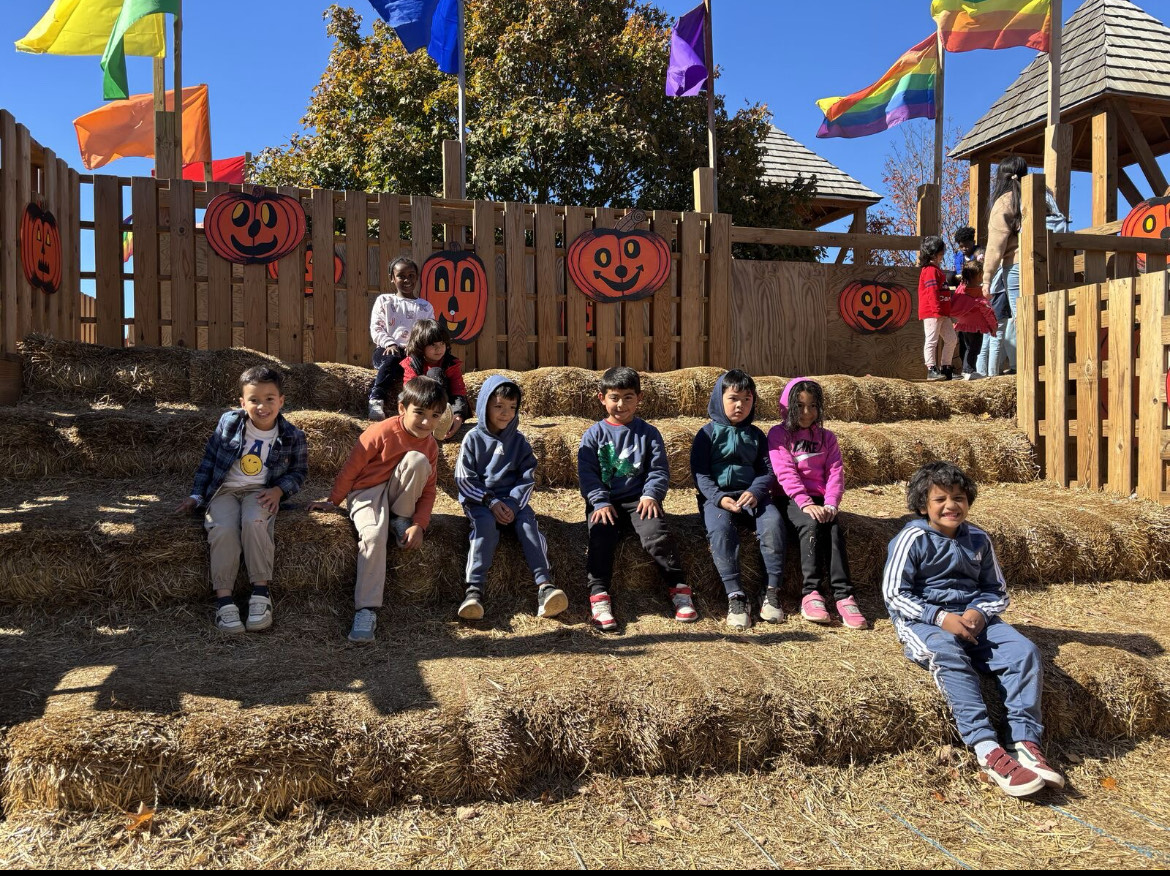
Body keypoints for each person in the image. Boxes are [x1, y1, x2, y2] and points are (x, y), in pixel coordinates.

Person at [883, 462, 1064, 797]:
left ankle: (1025, 742)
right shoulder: (911, 538)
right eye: (940, 499)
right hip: (924, 620)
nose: (951, 505)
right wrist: (940, 618)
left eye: (959, 497)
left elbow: (996, 590)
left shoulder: (978, 538)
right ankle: (987, 749)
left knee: (1023, 652)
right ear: (923, 505)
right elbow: (894, 594)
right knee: (948, 653)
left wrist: (979, 612)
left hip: (975, 619)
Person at [307, 376, 445, 643]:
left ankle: (400, 520)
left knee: (417, 461)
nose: (427, 422)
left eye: (435, 415)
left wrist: (419, 523)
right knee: (372, 536)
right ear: (402, 408)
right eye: (419, 413)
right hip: (365, 494)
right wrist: (333, 501)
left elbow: (428, 491)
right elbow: (351, 469)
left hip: (398, 497)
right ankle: (365, 610)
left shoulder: (430, 445)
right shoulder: (379, 431)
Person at [176, 365, 308, 634]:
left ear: (281, 401)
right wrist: (196, 495)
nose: (262, 406)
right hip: (223, 491)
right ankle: (224, 600)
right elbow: (209, 461)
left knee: (255, 521)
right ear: (242, 402)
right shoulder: (229, 423)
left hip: (259, 491)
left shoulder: (293, 436)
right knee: (222, 528)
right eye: (254, 400)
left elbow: (298, 472)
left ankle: (261, 594)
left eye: (269, 399)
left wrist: (279, 491)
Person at [578, 366, 698, 631]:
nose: (621, 404)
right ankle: (599, 597)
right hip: (605, 501)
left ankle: (679, 589)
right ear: (602, 398)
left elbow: (658, 470)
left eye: (628, 397)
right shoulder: (593, 435)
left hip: (638, 499)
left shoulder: (649, 434)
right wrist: (599, 501)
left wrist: (651, 494)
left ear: (639, 398)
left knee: (656, 535)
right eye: (614, 397)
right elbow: (587, 475)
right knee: (600, 537)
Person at [454, 374, 566, 620]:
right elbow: (464, 480)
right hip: (481, 501)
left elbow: (527, 477)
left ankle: (545, 586)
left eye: (512, 408)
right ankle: (474, 591)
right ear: (485, 405)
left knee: (528, 526)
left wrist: (514, 505)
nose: (506, 413)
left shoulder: (519, 441)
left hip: (513, 501)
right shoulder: (472, 439)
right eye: (499, 407)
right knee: (484, 527)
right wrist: (490, 502)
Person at [690, 369, 786, 631]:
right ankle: (735, 595)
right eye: (733, 398)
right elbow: (700, 475)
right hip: (718, 500)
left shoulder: (757, 435)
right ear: (718, 399)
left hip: (753, 498)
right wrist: (719, 499)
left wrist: (755, 492)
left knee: (774, 524)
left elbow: (768, 471)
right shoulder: (706, 435)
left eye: (747, 399)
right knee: (720, 531)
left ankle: (771, 591)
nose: (740, 405)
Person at [768, 377, 867, 630]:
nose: (806, 412)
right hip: (790, 498)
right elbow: (785, 471)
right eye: (799, 406)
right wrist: (804, 502)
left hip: (821, 498)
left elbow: (836, 472)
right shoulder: (779, 435)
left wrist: (832, 503)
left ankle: (844, 595)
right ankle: (810, 593)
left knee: (833, 528)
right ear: (787, 407)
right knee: (811, 526)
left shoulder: (827, 437)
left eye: (812, 406)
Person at [368, 257, 433, 421]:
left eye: (411, 275)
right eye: (401, 276)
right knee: (391, 359)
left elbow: (428, 332)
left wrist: (417, 348)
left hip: (412, 352)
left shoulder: (425, 307)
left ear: (417, 278)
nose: (407, 280)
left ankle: (413, 408)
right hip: (387, 350)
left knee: (421, 372)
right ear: (392, 278)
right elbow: (377, 327)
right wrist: (389, 343)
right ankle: (376, 399)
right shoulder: (385, 301)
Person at [982, 156, 1028, 377]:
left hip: (1017, 266)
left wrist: (987, 277)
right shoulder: (1043, 196)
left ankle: (1024, 368)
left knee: (1021, 317)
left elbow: (995, 246)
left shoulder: (1005, 201)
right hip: (1046, 262)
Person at [401, 319, 470, 442]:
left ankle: (442, 420)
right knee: (406, 395)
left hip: (447, 405)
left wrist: (458, 416)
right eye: (433, 345)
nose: (439, 349)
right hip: (421, 404)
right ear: (421, 346)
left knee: (436, 373)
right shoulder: (412, 364)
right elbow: (409, 390)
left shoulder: (451, 364)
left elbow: (458, 391)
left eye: (442, 343)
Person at [918, 235, 956, 381]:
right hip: (932, 312)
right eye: (941, 252)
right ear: (934, 253)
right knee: (931, 340)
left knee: (951, 339)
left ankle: (946, 367)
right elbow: (931, 292)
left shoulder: (938, 270)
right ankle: (931, 369)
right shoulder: (929, 271)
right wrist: (936, 310)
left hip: (942, 313)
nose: (943, 255)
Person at [951, 227, 985, 380]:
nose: (964, 248)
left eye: (966, 245)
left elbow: (978, 268)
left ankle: (970, 368)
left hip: (974, 297)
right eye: (961, 245)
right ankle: (966, 369)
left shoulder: (978, 253)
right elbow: (957, 274)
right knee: (964, 340)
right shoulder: (958, 256)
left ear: (973, 242)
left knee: (975, 340)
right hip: (964, 297)